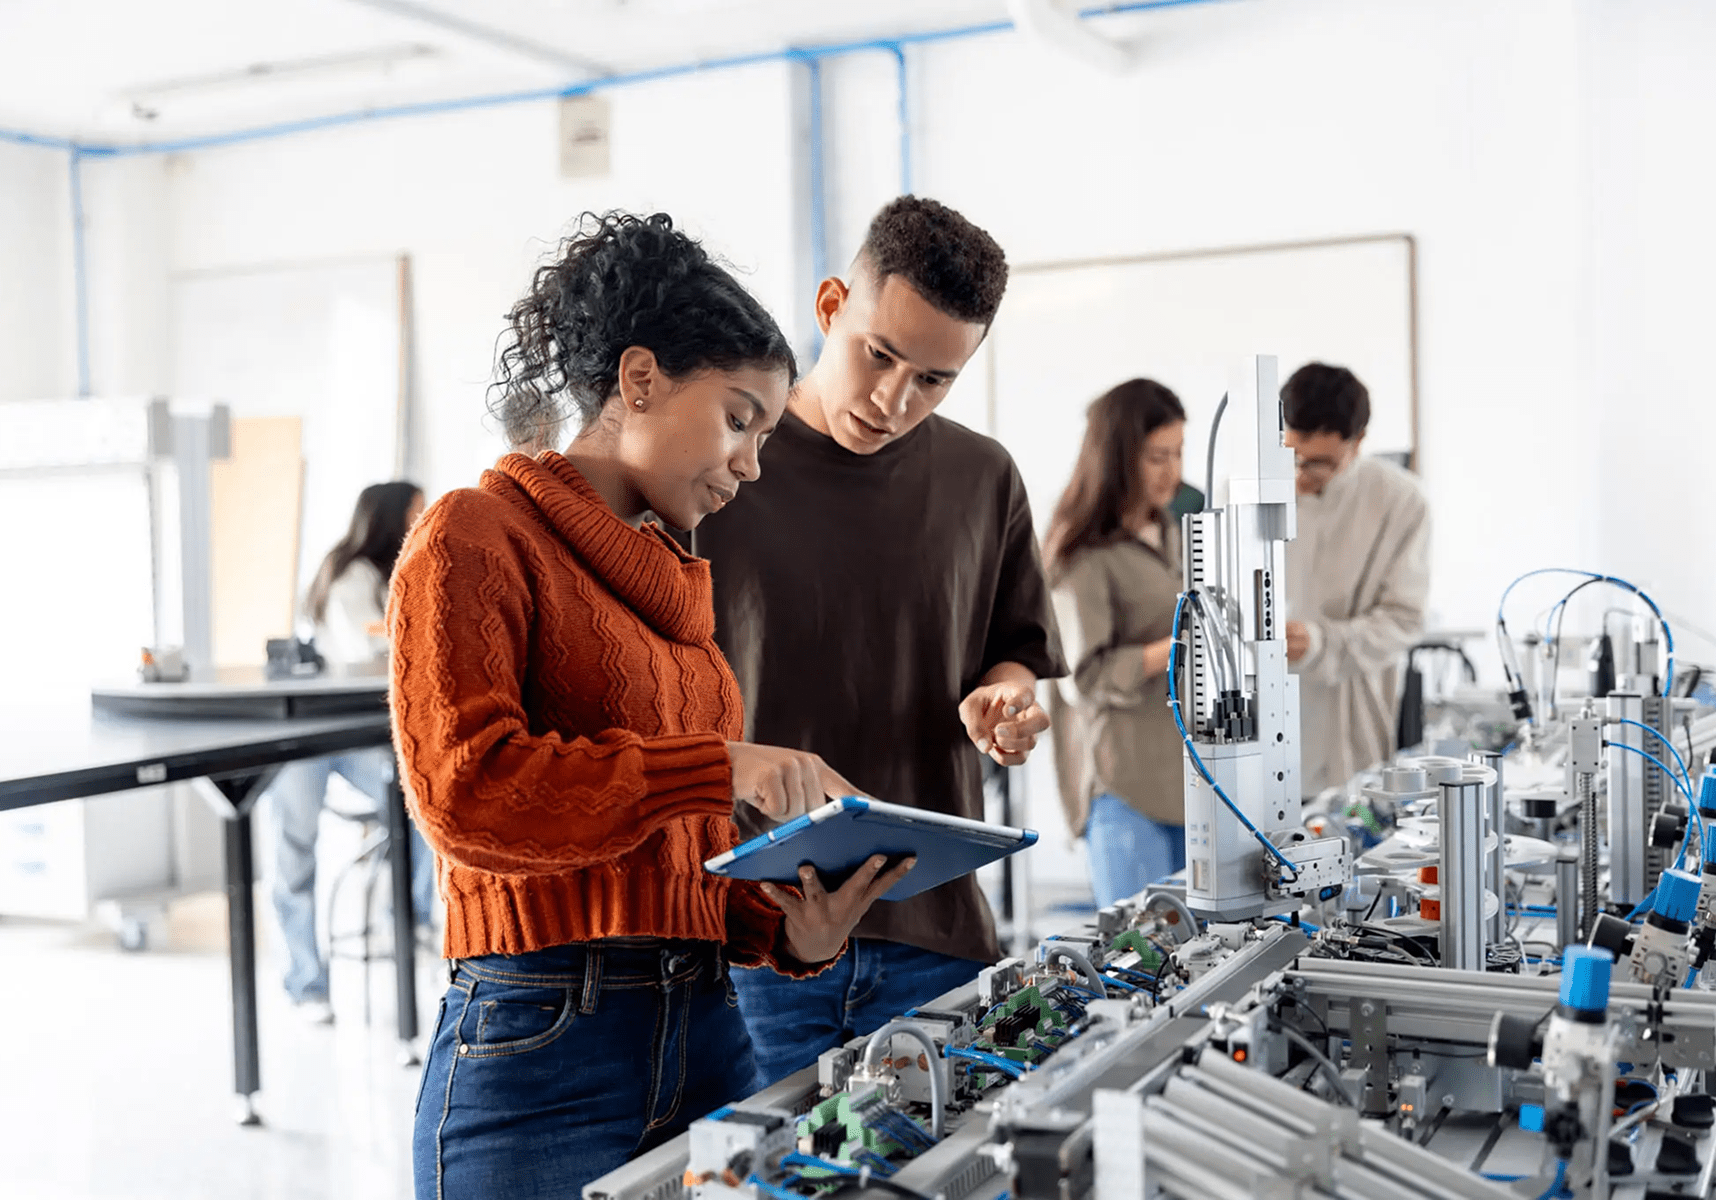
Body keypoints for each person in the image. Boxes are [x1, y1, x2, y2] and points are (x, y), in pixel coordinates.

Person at [392, 212, 913, 1197]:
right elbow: (466, 797)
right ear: (639, 382)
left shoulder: (674, 586)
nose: (751, 463)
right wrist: (720, 766)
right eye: (737, 418)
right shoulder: (475, 536)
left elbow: (670, 852)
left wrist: (782, 931)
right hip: (542, 1052)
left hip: (714, 1036)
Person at [695, 196, 1066, 1088]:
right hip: (751, 934)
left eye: (933, 378)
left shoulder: (983, 477)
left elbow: (1012, 654)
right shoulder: (717, 465)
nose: (895, 398)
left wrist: (1007, 702)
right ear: (830, 307)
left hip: (935, 931)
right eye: (879, 354)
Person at [267, 480, 436, 1023]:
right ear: (390, 517)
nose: (426, 515)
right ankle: (305, 984)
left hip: (360, 737)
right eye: (417, 507)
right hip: (306, 733)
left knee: (424, 802)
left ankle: (407, 919)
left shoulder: (397, 572)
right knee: (294, 852)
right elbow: (370, 649)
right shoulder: (347, 575)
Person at [1044, 380, 1189, 907]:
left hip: (1186, 781)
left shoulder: (1172, 530)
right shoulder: (1082, 552)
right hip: (1124, 788)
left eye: (1177, 453)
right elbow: (1080, 679)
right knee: (1142, 964)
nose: (1172, 470)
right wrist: (1172, 651)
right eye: (1157, 457)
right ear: (1119, 458)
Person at [1281, 362, 1430, 795]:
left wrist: (1321, 643)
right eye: (1293, 456)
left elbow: (1403, 621)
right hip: (1259, 730)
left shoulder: (1400, 501)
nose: (1300, 474)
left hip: (1346, 733)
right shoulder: (1245, 493)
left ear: (1359, 442)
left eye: (1320, 463)